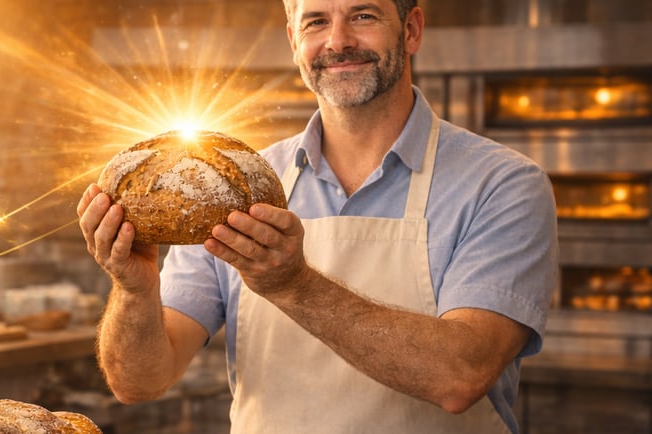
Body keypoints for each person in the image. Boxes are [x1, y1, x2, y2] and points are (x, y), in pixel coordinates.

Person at [76, 0, 558, 432]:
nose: (338, 41)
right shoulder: (233, 189)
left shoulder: (502, 184)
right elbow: (139, 382)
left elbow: (459, 376)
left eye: (363, 16)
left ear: (411, 29)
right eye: (316, 21)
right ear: (294, 40)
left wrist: (293, 285)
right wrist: (135, 290)